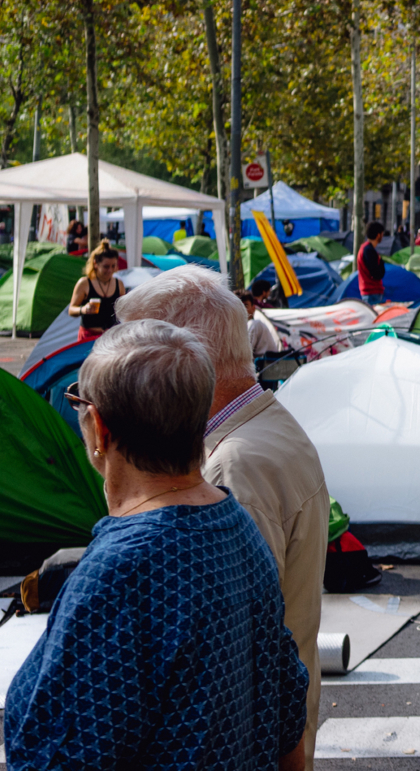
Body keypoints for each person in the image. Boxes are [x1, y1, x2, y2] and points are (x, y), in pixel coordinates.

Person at [4, 319, 309, 771]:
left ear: (101, 429)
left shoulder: (117, 575)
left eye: (78, 405)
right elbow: (287, 720)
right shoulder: (237, 526)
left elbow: (59, 757)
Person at [120, 267, 329, 769]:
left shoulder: (233, 462)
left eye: (141, 356)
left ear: (187, 355)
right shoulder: (262, 428)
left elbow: (232, 644)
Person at [68, 238, 126, 341]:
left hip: (110, 337)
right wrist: (83, 309)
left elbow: (123, 310)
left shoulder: (119, 284)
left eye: (113, 266)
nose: (110, 270)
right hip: (88, 336)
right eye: (106, 266)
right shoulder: (85, 283)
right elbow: (71, 310)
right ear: (95, 264)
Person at [237, 290, 284, 356]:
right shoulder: (241, 328)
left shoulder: (254, 324)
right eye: (239, 306)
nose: (242, 310)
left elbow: (243, 354)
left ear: (253, 308)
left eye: (246, 306)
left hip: (266, 364)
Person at [355, 220, 387, 305]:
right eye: (382, 233)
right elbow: (377, 274)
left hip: (368, 292)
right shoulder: (369, 250)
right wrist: (381, 262)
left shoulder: (364, 248)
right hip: (372, 292)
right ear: (378, 235)